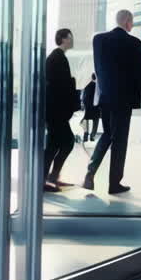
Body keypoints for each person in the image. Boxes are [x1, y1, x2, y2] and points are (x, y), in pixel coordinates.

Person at [83, 10, 141, 194]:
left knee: (107, 134)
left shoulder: (99, 40)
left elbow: (99, 68)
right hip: (125, 99)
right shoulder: (134, 43)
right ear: (127, 22)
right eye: (132, 22)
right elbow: (140, 73)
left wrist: (105, 91)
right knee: (120, 141)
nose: (132, 25)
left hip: (106, 97)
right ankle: (114, 184)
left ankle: (90, 172)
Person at [43, 29, 79, 192]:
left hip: (55, 111)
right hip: (55, 111)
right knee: (64, 143)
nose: (72, 40)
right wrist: (72, 83)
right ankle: (47, 178)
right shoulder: (57, 58)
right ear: (63, 39)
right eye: (70, 37)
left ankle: (50, 177)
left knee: (57, 144)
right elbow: (59, 86)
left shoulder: (57, 57)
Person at [81, 73, 100, 142]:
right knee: (96, 119)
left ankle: (86, 134)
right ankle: (92, 135)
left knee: (85, 119)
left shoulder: (87, 84)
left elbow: (83, 94)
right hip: (95, 104)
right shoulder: (98, 85)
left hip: (88, 104)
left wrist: (82, 102)